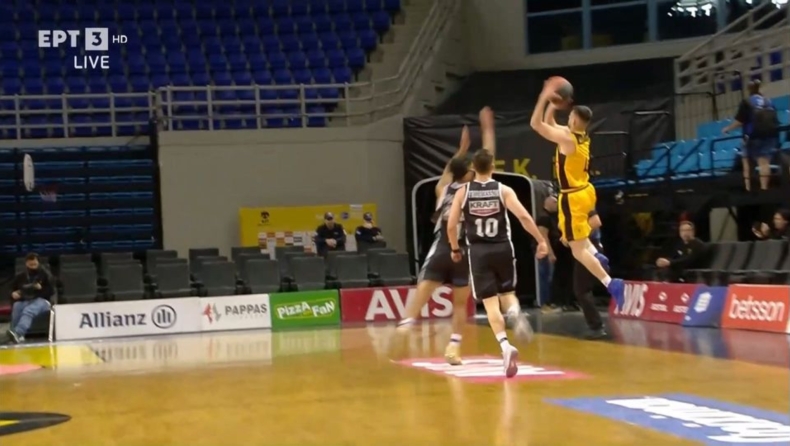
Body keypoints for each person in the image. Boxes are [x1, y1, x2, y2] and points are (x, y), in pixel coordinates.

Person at [446, 149, 549, 378]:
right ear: (492, 167)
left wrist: (454, 249)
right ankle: (514, 311)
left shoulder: (463, 192)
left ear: (473, 168)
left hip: (478, 252)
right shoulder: (504, 190)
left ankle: (505, 345)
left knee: (491, 303)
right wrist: (541, 240)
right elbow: (524, 217)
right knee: (507, 293)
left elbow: (451, 225)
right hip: (503, 247)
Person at [529, 82, 625, 310]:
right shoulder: (580, 136)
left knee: (576, 249)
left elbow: (536, 124)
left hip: (572, 196)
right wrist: (553, 105)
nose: (567, 119)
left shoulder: (568, 140)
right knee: (578, 241)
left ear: (573, 120)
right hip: (584, 192)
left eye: (570, 116)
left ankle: (611, 283)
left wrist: (543, 96)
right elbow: (550, 123)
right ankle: (596, 254)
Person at [396, 117, 476, 366]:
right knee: (460, 303)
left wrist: (461, 151)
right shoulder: (476, 192)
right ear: (469, 173)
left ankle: (408, 320)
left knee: (426, 284)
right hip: (464, 248)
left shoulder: (444, 189)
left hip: (444, 245)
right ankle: (454, 346)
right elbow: (471, 170)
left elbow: (449, 170)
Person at [722, 80, 779, 191]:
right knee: (764, 163)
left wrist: (727, 128)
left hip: (752, 136)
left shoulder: (747, 102)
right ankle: (764, 188)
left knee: (746, 162)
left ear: (749, 90)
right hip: (769, 136)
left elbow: (740, 121)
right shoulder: (769, 102)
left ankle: (748, 188)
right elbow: (775, 120)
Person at [570, 210, 608, 339]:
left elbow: (596, 222)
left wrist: (577, 232)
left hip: (589, 248)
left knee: (581, 289)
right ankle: (595, 325)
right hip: (582, 247)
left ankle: (596, 327)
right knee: (582, 289)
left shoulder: (580, 205)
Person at [6, 253, 54, 343]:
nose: (32, 266)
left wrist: (41, 289)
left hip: (42, 300)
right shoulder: (21, 276)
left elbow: (52, 291)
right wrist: (13, 293)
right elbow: (11, 289)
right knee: (17, 306)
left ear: (38, 263)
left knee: (29, 310)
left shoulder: (45, 274)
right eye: (30, 264)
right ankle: (15, 334)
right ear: (26, 264)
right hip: (26, 300)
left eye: (34, 264)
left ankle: (18, 333)